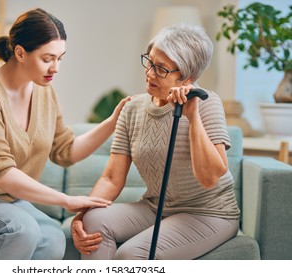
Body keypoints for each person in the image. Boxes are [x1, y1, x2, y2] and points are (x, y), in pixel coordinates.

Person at [0, 8, 131, 260]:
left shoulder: (44, 92)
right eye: (48, 58)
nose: (55, 68)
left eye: (60, 58)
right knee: (21, 230)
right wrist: (66, 200)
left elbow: (66, 151)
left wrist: (112, 122)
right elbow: (0, 172)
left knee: (53, 238)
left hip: (7, 202)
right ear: (20, 53)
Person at [71, 23, 240, 260]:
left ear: (187, 77)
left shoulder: (207, 103)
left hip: (207, 213)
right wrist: (82, 217)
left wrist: (192, 116)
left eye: (161, 69)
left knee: (131, 254)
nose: (150, 73)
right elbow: (111, 178)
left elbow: (210, 177)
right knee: (95, 221)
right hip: (155, 207)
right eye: (149, 62)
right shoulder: (132, 108)